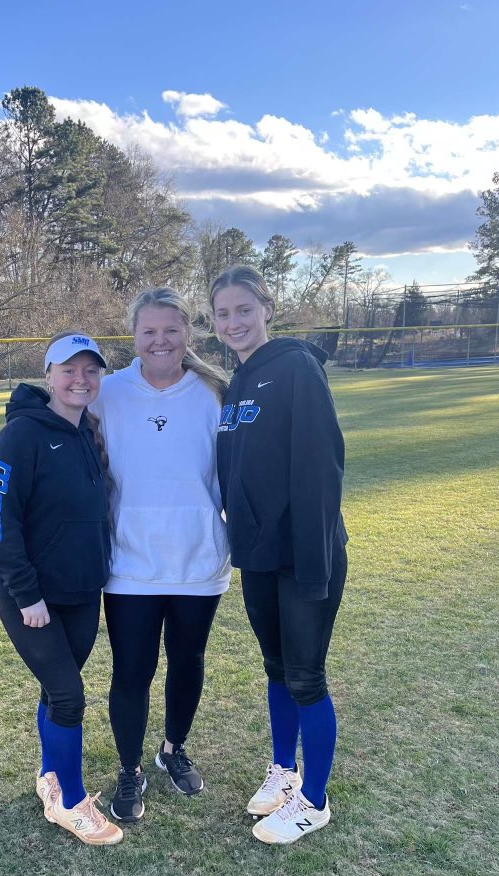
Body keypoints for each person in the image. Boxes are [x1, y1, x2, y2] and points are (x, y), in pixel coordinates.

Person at [210, 266, 348, 845]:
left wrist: (314, 562)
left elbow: (321, 468)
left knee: (306, 676)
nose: (234, 322)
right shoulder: (237, 382)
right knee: (276, 668)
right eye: (222, 314)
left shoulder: (296, 368)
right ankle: (284, 770)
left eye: (244, 309)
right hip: (259, 555)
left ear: (267, 308)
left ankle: (313, 800)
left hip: (304, 554)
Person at [91, 288, 231, 823]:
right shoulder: (109, 392)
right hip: (130, 563)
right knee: (132, 671)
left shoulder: (215, 392)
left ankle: (173, 749)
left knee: (187, 661)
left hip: (199, 559)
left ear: (188, 333)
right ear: (133, 337)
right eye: (148, 331)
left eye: (171, 330)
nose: (160, 341)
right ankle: (130, 768)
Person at [0, 332, 122, 846]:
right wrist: (27, 595)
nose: (80, 379)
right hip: (31, 598)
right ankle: (71, 803)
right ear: (48, 375)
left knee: (55, 690)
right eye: (69, 370)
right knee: (68, 697)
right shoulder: (20, 435)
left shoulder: (88, 430)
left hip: (81, 591)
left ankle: (50, 775)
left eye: (90, 370)